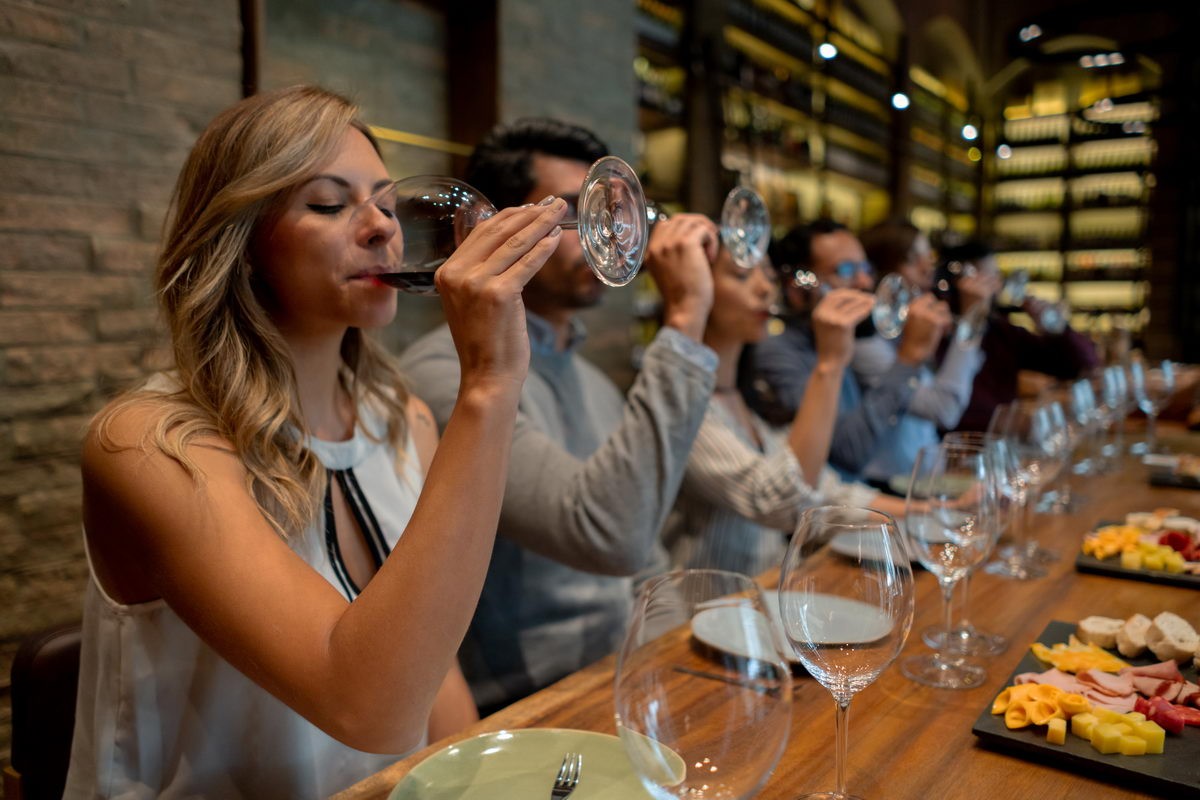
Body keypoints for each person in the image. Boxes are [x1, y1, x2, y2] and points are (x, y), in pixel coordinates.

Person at [64, 86, 569, 798]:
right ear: (242, 244)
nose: (381, 228)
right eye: (330, 205)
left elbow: (432, 673)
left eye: (387, 205)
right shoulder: (152, 443)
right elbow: (367, 708)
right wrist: (488, 384)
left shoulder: (401, 420)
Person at [398, 119, 718, 715]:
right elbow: (610, 536)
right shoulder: (444, 374)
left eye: (609, 213)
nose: (605, 233)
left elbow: (646, 556)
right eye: (574, 212)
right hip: (521, 706)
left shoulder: (591, 379)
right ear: (482, 229)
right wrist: (685, 319)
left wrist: (670, 665)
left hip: (618, 680)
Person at [663, 245, 909, 577]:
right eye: (742, 275)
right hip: (703, 605)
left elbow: (824, 491)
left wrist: (934, 509)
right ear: (693, 288)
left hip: (761, 594)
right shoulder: (681, 401)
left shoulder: (741, 394)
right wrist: (829, 364)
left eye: (766, 274)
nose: (765, 288)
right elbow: (780, 502)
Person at [751, 219, 950, 485]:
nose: (865, 281)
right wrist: (908, 359)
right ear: (797, 290)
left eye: (865, 268)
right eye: (845, 270)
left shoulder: (848, 338)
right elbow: (848, 454)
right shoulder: (778, 352)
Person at [848, 220, 991, 480]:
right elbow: (944, 409)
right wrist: (971, 319)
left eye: (928, 257)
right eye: (912, 259)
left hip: (929, 477)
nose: (928, 269)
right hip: (889, 486)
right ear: (880, 271)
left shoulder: (909, 328)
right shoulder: (863, 343)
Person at [941, 240, 1100, 432]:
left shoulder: (1001, 331)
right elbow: (944, 410)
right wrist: (1008, 422)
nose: (996, 286)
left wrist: (1057, 328)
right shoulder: (937, 329)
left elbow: (1083, 365)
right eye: (985, 279)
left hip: (1003, 444)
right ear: (956, 282)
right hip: (957, 446)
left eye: (996, 276)